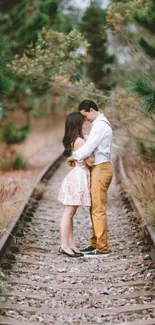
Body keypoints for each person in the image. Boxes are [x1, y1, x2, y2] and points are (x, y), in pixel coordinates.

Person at [70, 100, 113, 256]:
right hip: (99, 169)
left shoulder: (100, 125)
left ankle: (102, 248)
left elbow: (88, 149)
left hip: (101, 169)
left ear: (90, 110)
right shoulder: (99, 124)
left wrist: (73, 157)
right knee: (94, 207)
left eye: (85, 115)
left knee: (98, 209)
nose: (85, 120)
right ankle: (95, 243)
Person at [58, 112, 94, 257]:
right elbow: (90, 161)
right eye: (83, 121)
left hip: (77, 176)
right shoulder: (80, 141)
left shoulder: (76, 139)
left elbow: (75, 159)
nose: (85, 122)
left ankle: (71, 244)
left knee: (70, 213)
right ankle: (64, 245)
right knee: (69, 213)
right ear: (78, 124)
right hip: (78, 177)